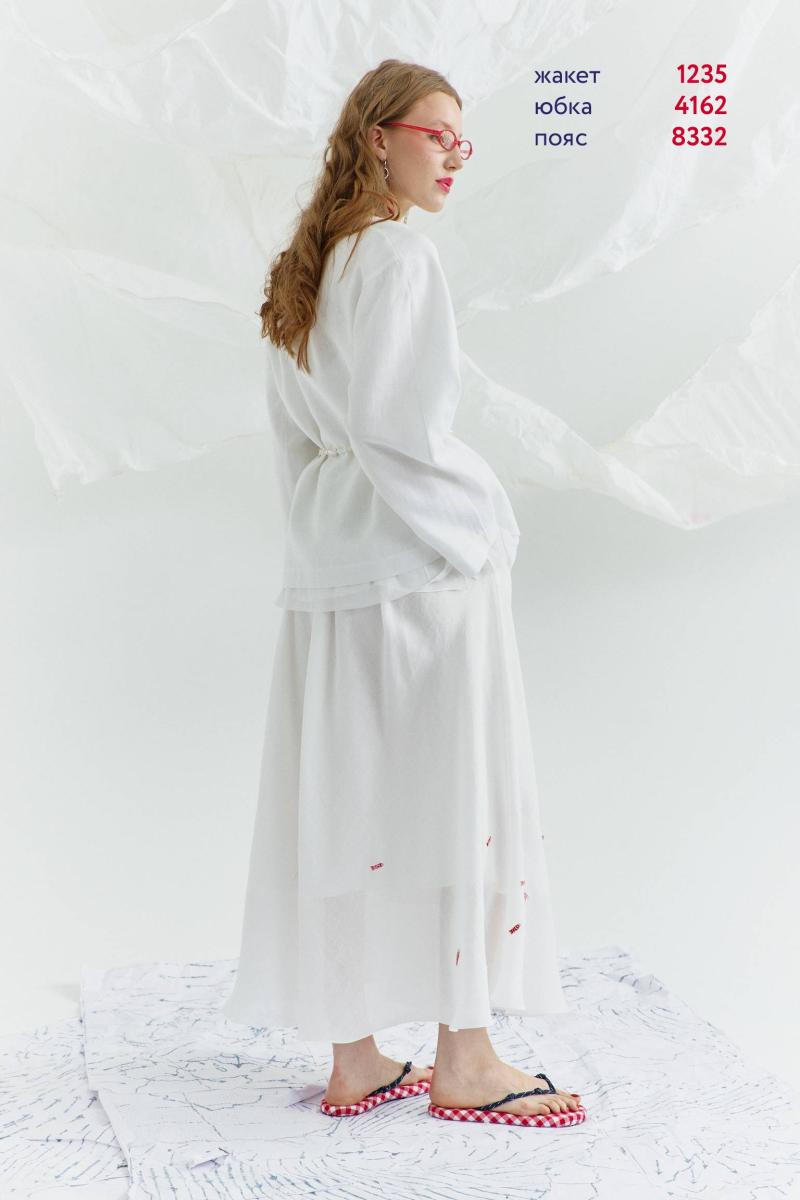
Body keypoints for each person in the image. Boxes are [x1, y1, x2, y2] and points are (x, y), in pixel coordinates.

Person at [222, 58, 584, 1127]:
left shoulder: (307, 266)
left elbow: (299, 444)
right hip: (415, 562)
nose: (456, 153)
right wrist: (484, 527)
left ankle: (357, 1057)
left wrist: (317, 542)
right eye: (438, 133)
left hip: (332, 563)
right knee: (449, 791)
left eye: (463, 138)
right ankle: (465, 1056)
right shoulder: (396, 255)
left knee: (348, 799)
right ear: (377, 136)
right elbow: (402, 432)